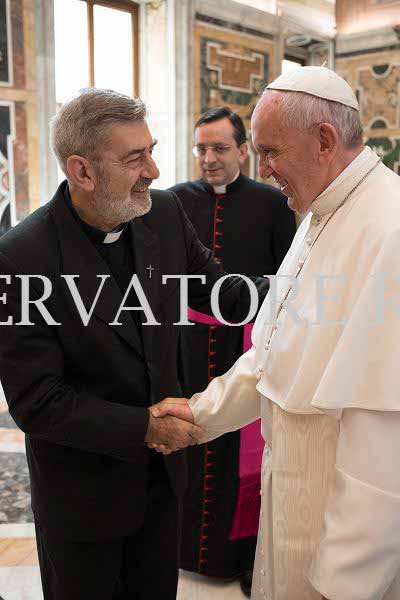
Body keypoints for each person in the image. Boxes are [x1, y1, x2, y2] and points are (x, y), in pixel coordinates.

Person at [0, 88, 269, 600]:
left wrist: (302, 284)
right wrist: (147, 426)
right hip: (83, 500)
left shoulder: (162, 214)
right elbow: (38, 401)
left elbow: (224, 294)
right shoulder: (20, 258)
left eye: (151, 150)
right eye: (134, 158)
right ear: (82, 171)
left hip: (161, 489)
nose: (154, 170)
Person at [149, 66, 400, 600]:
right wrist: (199, 414)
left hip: (338, 549)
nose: (262, 170)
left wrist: (343, 586)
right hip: (291, 508)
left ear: (324, 141)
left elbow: (384, 447)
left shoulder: (390, 229)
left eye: (270, 152)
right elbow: (271, 353)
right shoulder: (319, 212)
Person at [169, 107, 295, 596]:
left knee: (237, 456)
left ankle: (240, 556)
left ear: (243, 151)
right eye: (201, 148)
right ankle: (181, 551)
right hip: (187, 345)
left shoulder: (272, 202)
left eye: (220, 148)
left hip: (246, 347)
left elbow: (287, 278)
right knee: (188, 442)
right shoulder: (174, 201)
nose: (209, 158)